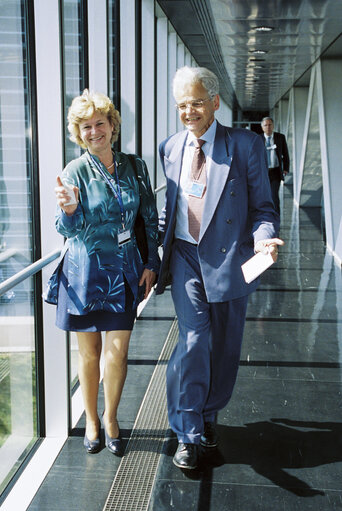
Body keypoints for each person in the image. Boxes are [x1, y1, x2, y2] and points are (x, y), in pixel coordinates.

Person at [155, 66, 284, 470]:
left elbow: (264, 208)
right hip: (186, 257)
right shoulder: (170, 147)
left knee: (224, 350)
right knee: (194, 341)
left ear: (214, 102)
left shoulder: (244, 145)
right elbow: (170, 210)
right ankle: (188, 430)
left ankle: (208, 414)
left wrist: (264, 237)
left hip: (230, 260)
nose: (188, 111)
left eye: (195, 102)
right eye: (181, 105)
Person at [44, 90, 160, 455]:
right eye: (86, 126)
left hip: (124, 270)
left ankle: (111, 417)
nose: (94, 131)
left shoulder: (135, 166)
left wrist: (151, 262)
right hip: (84, 273)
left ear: (112, 125)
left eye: (100, 123)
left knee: (118, 352)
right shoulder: (74, 171)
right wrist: (69, 209)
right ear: (79, 133)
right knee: (90, 354)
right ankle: (91, 419)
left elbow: (149, 217)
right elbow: (66, 230)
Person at [260, 116, 290, 214]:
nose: (268, 127)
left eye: (270, 125)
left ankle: (276, 217)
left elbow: (285, 153)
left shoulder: (280, 137)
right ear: (262, 127)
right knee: (263, 196)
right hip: (263, 173)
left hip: (275, 171)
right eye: (265, 125)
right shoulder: (258, 139)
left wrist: (286, 168)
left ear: (273, 126)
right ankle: (265, 216)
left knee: (274, 195)